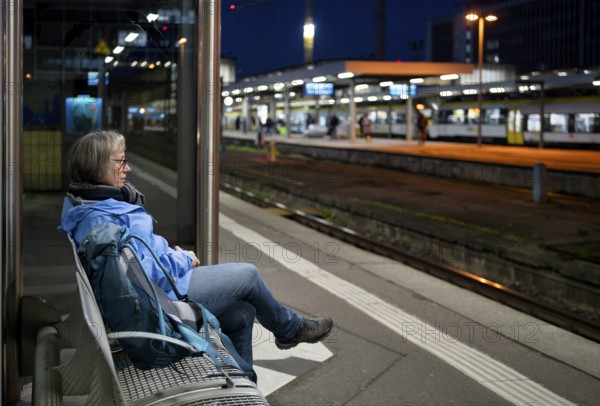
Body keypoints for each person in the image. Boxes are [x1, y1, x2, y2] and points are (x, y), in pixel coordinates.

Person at [58, 130, 333, 366]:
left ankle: (240, 393)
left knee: (242, 313)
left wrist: (170, 253)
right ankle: (290, 329)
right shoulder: (102, 217)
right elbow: (146, 273)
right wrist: (182, 259)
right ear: (98, 167)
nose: (127, 168)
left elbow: (137, 259)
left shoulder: (90, 205)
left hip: (158, 290)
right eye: (120, 162)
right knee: (248, 274)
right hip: (162, 299)